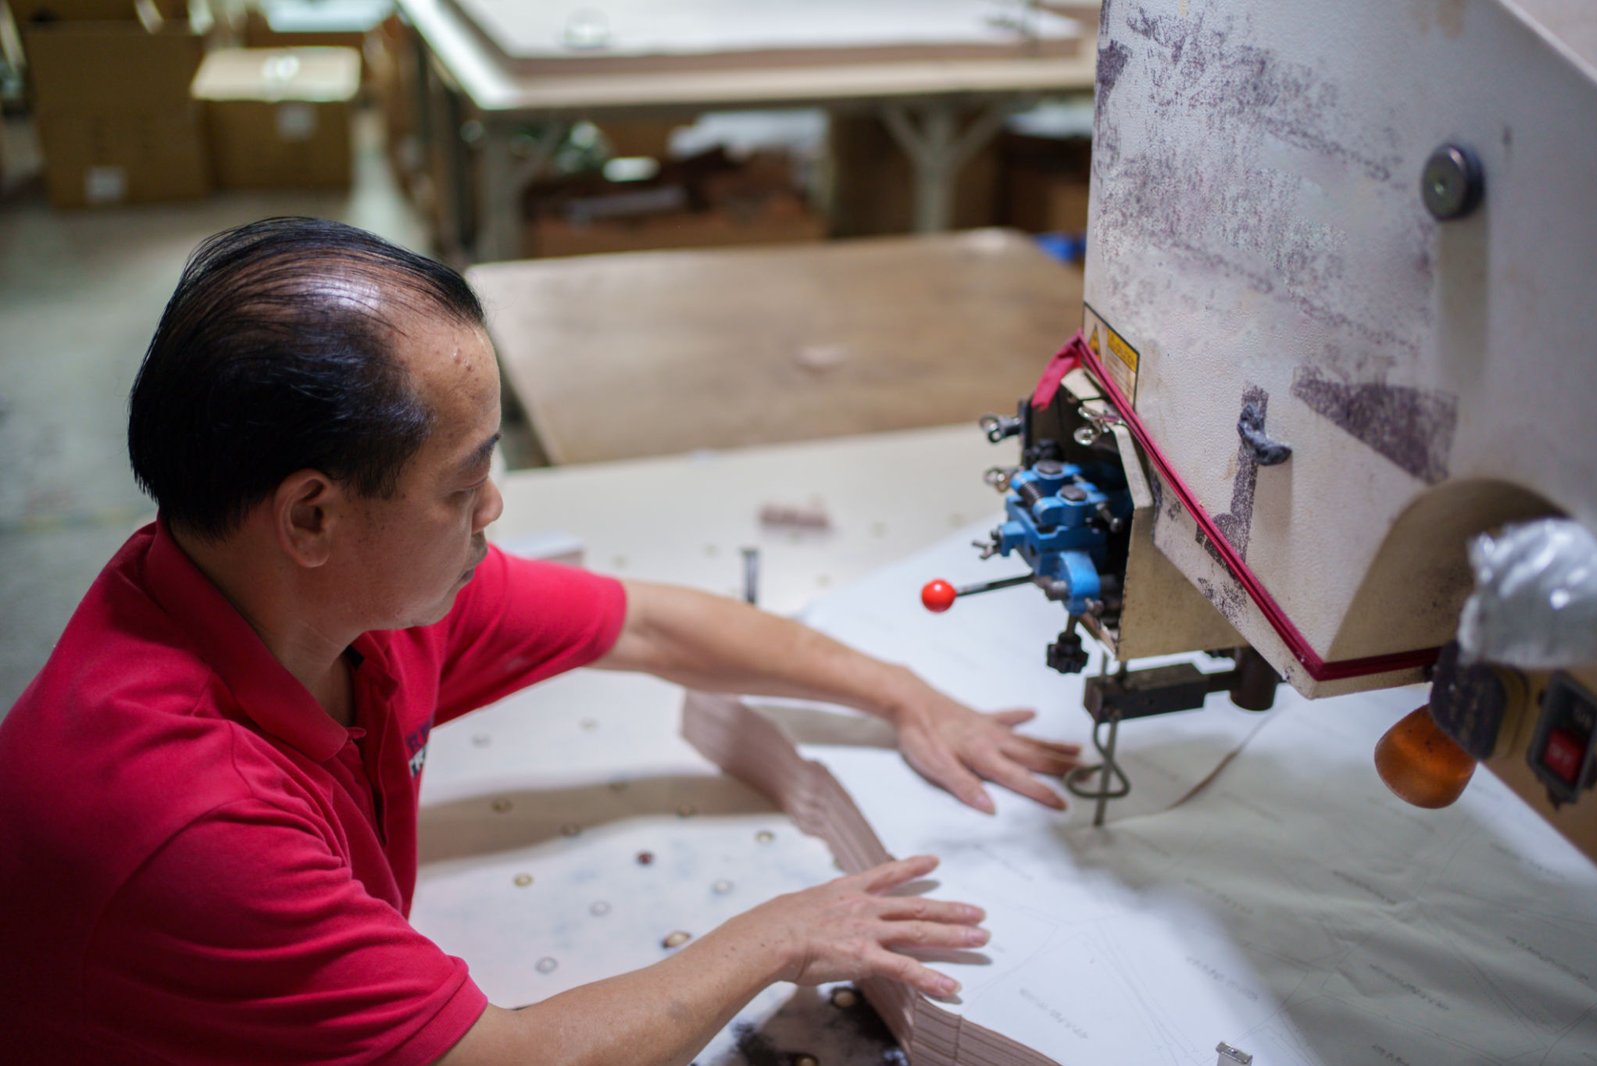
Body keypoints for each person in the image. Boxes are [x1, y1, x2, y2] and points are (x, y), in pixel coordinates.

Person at [0, 217, 1081, 1064]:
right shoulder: (189, 824)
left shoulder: (334, 604)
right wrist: (782, 934)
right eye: (464, 483)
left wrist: (899, 689)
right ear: (313, 516)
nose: (495, 511)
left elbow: (649, 621)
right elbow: (505, 1058)